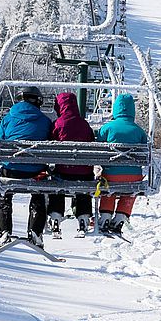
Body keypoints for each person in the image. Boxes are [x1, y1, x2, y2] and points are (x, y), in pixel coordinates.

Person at [0, 86, 52, 248]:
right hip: (35, 171)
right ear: (38, 101)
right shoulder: (45, 121)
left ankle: (3, 231)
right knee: (38, 193)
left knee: (4, 195)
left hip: (10, 170)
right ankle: (36, 231)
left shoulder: (7, 119)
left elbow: (0, 141)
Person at [96, 92, 148, 234]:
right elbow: (146, 154)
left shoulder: (107, 128)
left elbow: (97, 150)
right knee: (130, 192)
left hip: (110, 176)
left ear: (116, 109)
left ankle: (106, 216)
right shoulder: (139, 131)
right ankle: (121, 216)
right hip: (133, 177)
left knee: (109, 189)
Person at [47, 92, 95, 235]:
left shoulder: (57, 124)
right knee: (84, 182)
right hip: (84, 174)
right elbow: (92, 143)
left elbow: (50, 143)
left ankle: (55, 216)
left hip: (62, 173)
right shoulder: (84, 124)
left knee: (57, 182)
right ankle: (83, 217)